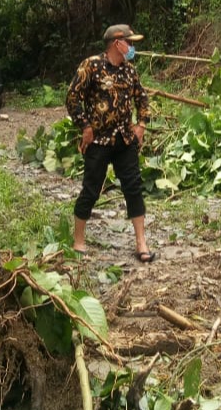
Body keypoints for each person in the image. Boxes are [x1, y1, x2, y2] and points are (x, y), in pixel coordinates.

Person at [66, 24, 155, 262]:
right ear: (118, 43)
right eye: (130, 42)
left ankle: (141, 243)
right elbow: (72, 98)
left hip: (124, 140)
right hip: (99, 141)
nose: (133, 47)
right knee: (91, 188)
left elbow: (142, 99)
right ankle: (79, 240)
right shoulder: (91, 66)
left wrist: (141, 125)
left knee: (133, 188)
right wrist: (85, 127)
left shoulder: (129, 71)